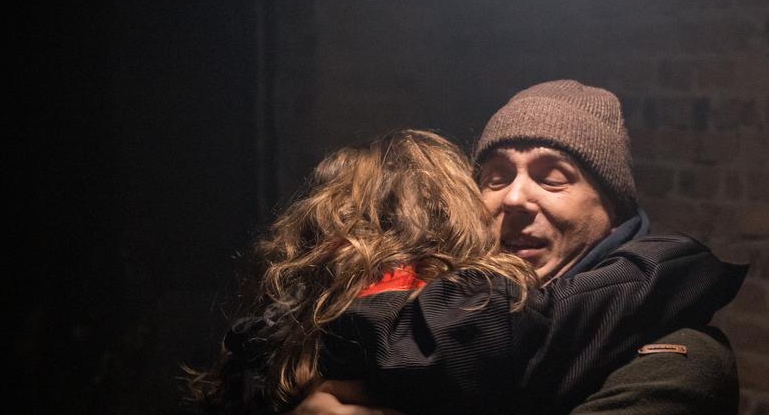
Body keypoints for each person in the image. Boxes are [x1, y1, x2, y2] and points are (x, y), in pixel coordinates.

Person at [189, 127, 744, 414]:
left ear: (614, 210)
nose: (515, 199)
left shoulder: (675, 358)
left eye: (553, 177)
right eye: (495, 177)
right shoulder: (433, 324)